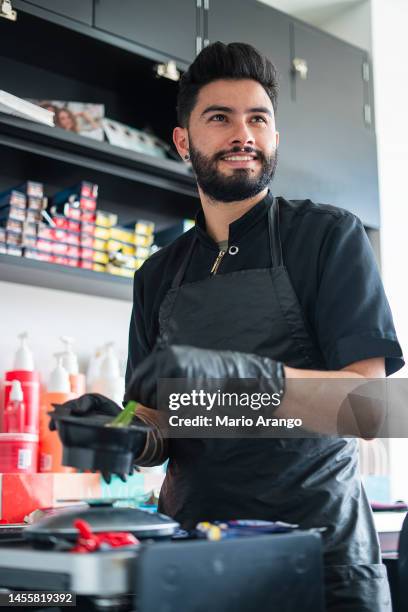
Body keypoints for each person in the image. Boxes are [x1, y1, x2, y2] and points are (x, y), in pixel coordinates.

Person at [64, 42, 403, 609]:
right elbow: (158, 423)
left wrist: (237, 381)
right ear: (183, 141)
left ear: (274, 137)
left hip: (317, 559)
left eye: (258, 119)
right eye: (219, 118)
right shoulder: (156, 275)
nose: (242, 133)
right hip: (193, 558)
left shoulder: (327, 238)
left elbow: (369, 405)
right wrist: (120, 430)